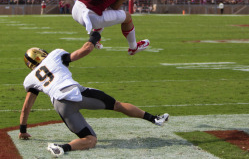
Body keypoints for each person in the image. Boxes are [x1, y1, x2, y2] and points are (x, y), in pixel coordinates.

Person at [19, 31, 169, 157]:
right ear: (40, 53)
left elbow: (26, 107)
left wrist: (23, 131)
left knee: (90, 139)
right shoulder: (55, 55)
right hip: (75, 93)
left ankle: (62, 148)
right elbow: (85, 50)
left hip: (60, 105)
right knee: (116, 105)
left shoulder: (30, 79)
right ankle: (154, 119)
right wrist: (95, 36)